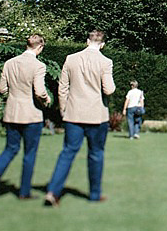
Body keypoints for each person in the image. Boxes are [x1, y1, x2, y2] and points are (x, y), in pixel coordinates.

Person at [44, 30, 116, 206]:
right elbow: (109, 89)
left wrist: (63, 110)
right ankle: (94, 194)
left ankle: (53, 191)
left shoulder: (70, 59)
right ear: (103, 44)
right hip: (97, 116)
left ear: (87, 41)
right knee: (96, 154)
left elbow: (62, 88)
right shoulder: (105, 62)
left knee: (67, 153)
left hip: (73, 114)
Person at [0, 34, 51, 201]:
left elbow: (2, 90)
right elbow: (39, 91)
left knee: (10, 149)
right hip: (31, 115)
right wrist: (46, 100)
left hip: (12, 112)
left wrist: (13, 96)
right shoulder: (39, 65)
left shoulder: (9, 63)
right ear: (40, 47)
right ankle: (24, 192)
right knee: (29, 153)